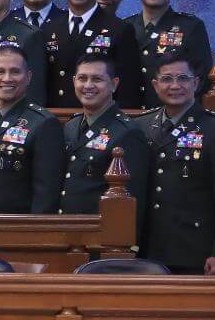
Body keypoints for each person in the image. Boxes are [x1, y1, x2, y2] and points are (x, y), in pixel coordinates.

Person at [135, 53, 215, 274]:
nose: (175, 86)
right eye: (166, 79)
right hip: (146, 249)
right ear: (155, 85)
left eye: (182, 78)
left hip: (195, 252)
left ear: (195, 83)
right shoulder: (141, 125)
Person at [0, 45, 63, 214]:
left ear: (28, 77)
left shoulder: (43, 123)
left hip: (16, 228)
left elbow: (46, 193)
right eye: (0, 71)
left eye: (15, 72)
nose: (7, 78)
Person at [60, 53, 149, 225]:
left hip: (100, 234)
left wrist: (123, 246)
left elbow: (133, 197)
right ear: (73, 82)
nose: (88, 85)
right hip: (67, 229)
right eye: (82, 78)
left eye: (97, 79)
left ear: (114, 84)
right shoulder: (71, 126)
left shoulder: (127, 132)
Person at [45, 0, 142, 108]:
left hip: (100, 121)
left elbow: (128, 90)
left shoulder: (120, 29)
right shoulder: (50, 27)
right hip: (57, 118)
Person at [127, 0, 211, 108]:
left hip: (173, 116)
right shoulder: (126, 27)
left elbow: (203, 78)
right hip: (131, 116)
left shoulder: (191, 26)